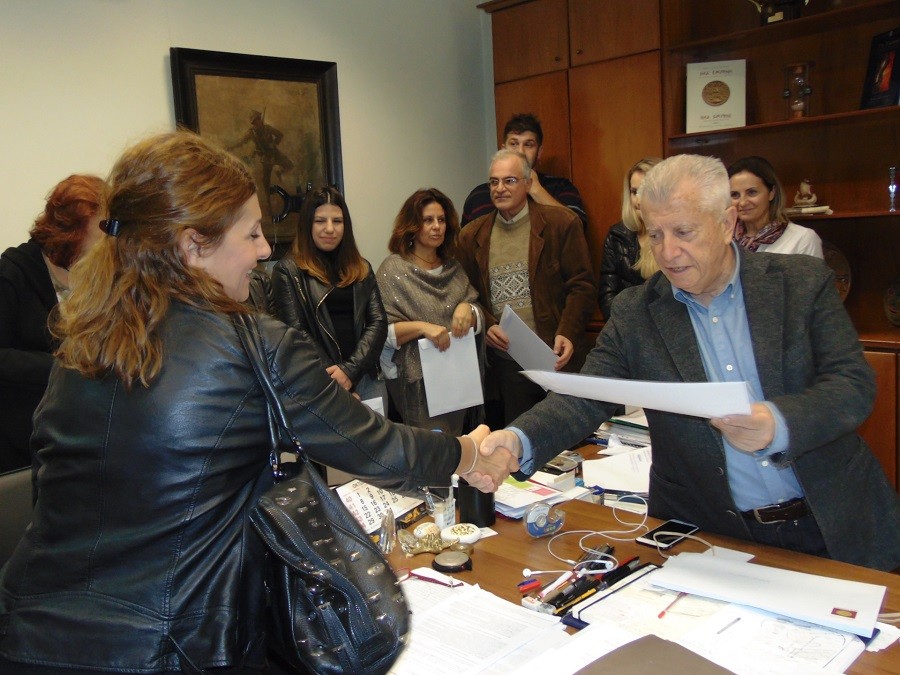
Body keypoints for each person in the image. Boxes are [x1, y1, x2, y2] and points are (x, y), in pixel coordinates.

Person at [0, 131, 516, 673]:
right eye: (250, 235)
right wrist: (466, 453)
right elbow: (374, 447)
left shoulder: (80, 343)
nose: (266, 250)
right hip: (170, 647)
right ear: (193, 244)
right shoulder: (251, 346)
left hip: (30, 636)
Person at [476, 154, 900, 571]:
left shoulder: (800, 283)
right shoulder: (637, 312)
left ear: (727, 223)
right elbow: (584, 397)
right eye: (655, 234)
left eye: (683, 232)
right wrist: (517, 440)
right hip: (714, 538)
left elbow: (852, 383)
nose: (668, 252)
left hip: (832, 524)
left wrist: (778, 423)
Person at [457, 149, 596, 428]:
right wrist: (487, 323)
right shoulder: (471, 236)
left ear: (528, 183)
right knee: (518, 439)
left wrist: (567, 332)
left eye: (509, 181)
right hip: (506, 363)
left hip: (555, 354)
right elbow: (466, 294)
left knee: (567, 434)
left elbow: (582, 286)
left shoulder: (561, 224)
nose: (500, 188)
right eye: (494, 182)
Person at [0, 174, 104, 472]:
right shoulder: (11, 275)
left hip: (77, 434)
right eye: (101, 231)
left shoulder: (102, 276)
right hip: (21, 441)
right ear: (74, 232)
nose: (110, 243)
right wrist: (62, 367)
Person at [376, 188, 483, 435]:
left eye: (441, 220)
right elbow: (381, 332)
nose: (437, 227)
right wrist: (422, 328)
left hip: (457, 378)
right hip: (416, 384)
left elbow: (477, 314)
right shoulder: (393, 269)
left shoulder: (453, 267)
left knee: (458, 445)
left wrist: (467, 308)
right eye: (428, 220)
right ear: (412, 226)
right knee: (430, 450)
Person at [273, 186, 388, 412]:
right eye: (320, 221)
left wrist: (350, 371)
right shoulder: (288, 271)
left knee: (380, 436)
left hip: (366, 377)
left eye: (337, 221)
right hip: (321, 381)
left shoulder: (362, 267)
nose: (329, 229)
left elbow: (378, 322)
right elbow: (296, 333)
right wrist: (338, 378)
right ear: (307, 225)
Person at [461, 112, 586, 227]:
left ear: (539, 152)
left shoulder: (561, 187)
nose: (520, 151)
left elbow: (577, 228)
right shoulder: (478, 196)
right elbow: (463, 241)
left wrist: (535, 189)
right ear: (503, 149)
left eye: (528, 144)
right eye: (514, 144)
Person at [598, 157, 661, 320]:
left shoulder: (675, 238)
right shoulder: (617, 235)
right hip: (626, 327)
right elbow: (607, 295)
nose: (638, 200)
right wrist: (630, 327)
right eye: (634, 192)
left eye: (645, 191)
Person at [727, 156, 823, 258]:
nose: (742, 202)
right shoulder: (723, 240)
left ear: (772, 193)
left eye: (752, 192)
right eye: (735, 195)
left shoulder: (803, 239)